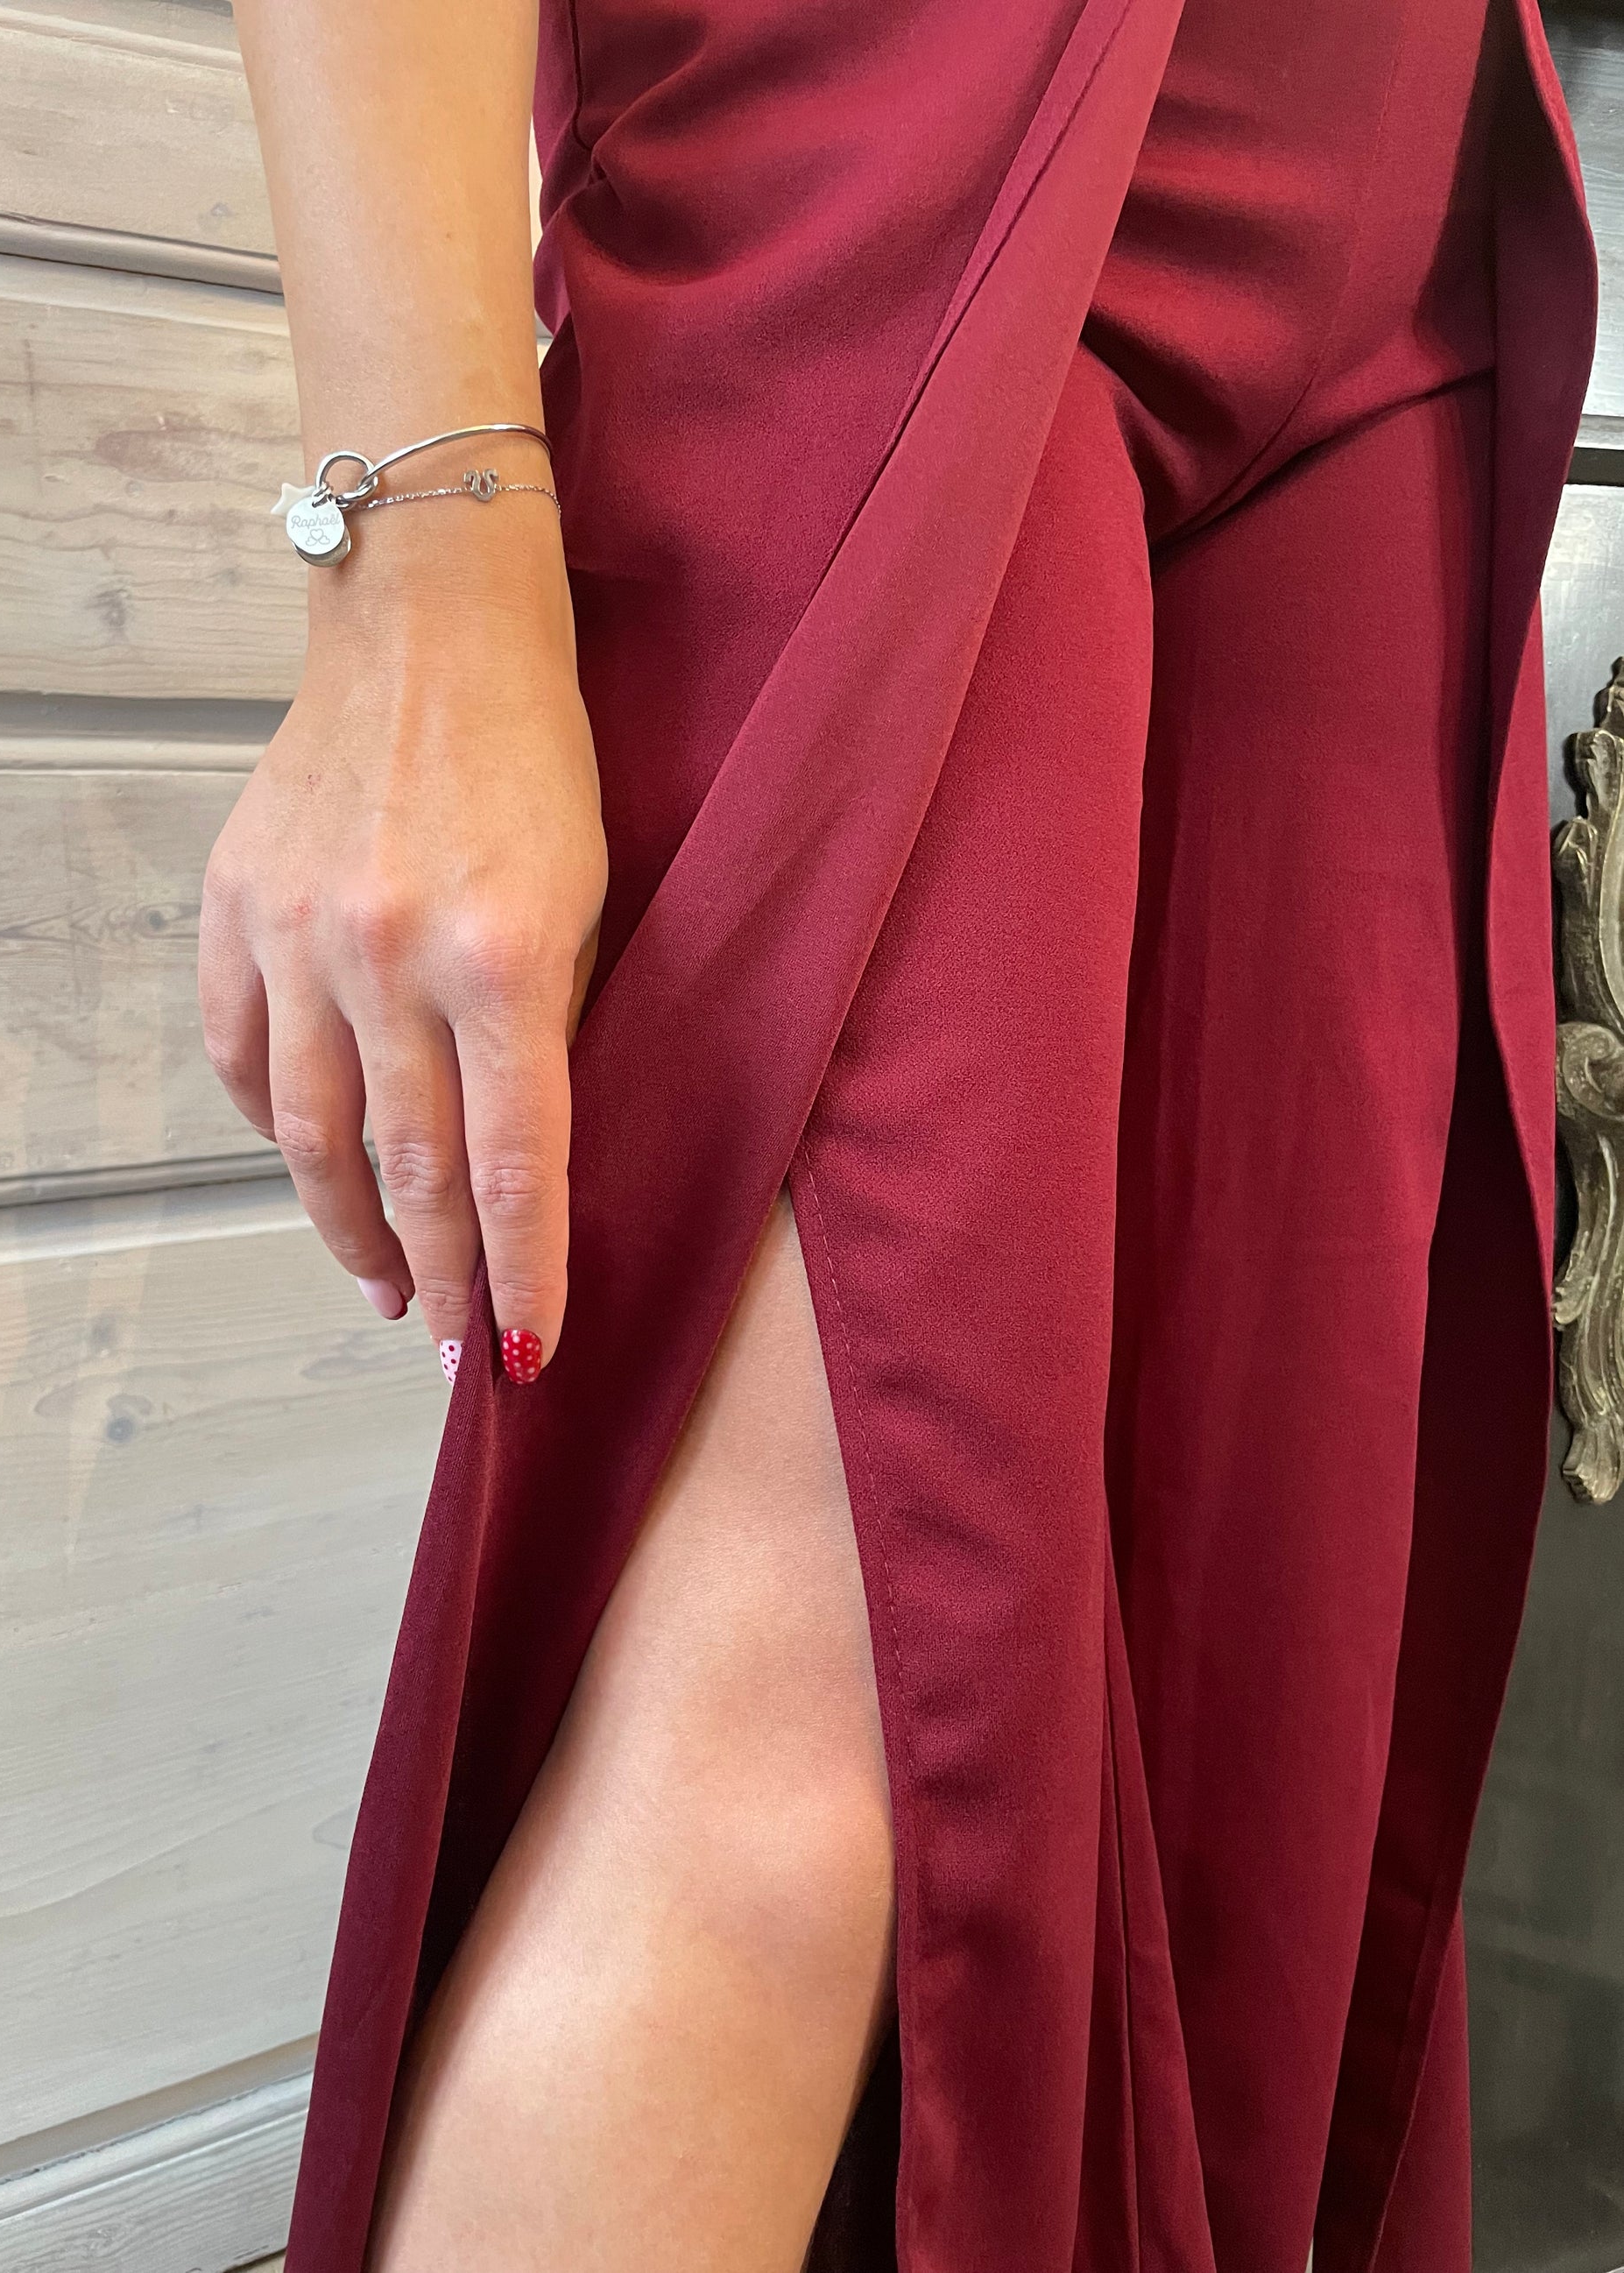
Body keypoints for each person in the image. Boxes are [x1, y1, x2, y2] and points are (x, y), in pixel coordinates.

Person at [199, 0, 1597, 2263]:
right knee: (809, 1754)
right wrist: (417, 562)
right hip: (886, 138)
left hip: (1414, 238)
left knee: (1254, 1777)